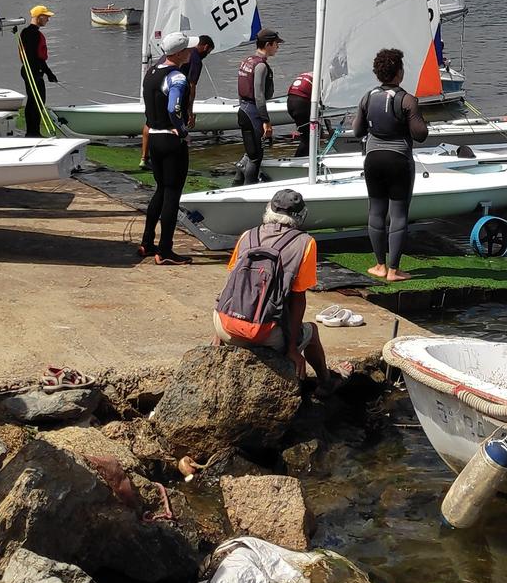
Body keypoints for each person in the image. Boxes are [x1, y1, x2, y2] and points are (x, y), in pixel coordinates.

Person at [213, 188, 330, 382]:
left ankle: (223, 331)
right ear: (300, 215)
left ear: (269, 209)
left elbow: (231, 284)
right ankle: (326, 383)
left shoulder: (248, 235)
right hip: (261, 334)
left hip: (224, 326)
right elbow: (298, 299)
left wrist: (218, 331)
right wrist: (292, 349)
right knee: (312, 331)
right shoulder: (305, 243)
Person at [353, 47, 429, 283]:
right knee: (398, 215)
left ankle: (379, 265)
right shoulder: (407, 100)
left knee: (376, 211)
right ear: (398, 73)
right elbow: (420, 135)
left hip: (373, 160)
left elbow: (358, 131)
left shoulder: (367, 97)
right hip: (398, 161)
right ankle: (394, 271)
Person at [138, 33, 194, 265]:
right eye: (187, 50)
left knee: (160, 190)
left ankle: (147, 242)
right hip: (170, 142)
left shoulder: (151, 72)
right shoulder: (177, 77)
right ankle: (165, 250)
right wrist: (182, 131)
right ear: (179, 54)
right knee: (172, 194)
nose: (190, 52)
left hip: (153, 138)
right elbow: (174, 107)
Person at [234, 31, 281, 186]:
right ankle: (250, 188)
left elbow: (241, 88)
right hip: (253, 113)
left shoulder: (247, 60)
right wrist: (265, 121)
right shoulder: (260, 65)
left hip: (243, 110)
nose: (278, 47)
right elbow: (259, 95)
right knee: (256, 157)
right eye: (276, 44)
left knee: (250, 150)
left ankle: (237, 182)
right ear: (268, 45)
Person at [18, 5, 58, 138]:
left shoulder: (30, 32)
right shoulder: (31, 33)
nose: (48, 19)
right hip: (31, 70)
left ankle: (32, 131)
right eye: (46, 17)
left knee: (35, 101)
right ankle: (32, 132)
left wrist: (46, 72)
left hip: (34, 69)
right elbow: (33, 56)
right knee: (37, 101)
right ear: (39, 17)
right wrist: (48, 72)